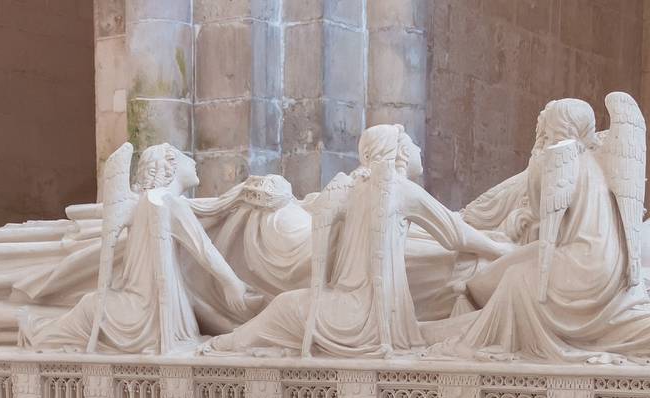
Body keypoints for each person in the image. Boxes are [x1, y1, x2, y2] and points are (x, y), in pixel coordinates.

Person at [459, 99, 650, 363]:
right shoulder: (603, 158)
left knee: (515, 279)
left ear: (554, 126)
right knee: (618, 326)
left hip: (582, 263)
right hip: (613, 261)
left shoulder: (555, 158)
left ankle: (507, 345)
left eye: (544, 125)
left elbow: (543, 214)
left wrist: (537, 153)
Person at [213, 124, 507, 356]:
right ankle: (221, 345)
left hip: (350, 309)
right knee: (283, 307)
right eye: (413, 144)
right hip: (368, 315)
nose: (420, 149)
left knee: (284, 307)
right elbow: (456, 233)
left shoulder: (353, 189)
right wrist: (500, 250)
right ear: (400, 154)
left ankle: (220, 346)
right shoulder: (400, 190)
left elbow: (323, 229)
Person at [26, 143, 253, 353]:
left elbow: (204, 235)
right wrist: (232, 283)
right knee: (89, 307)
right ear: (168, 167)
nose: (193, 162)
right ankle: (35, 334)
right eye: (185, 157)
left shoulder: (146, 201)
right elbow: (204, 249)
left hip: (141, 310)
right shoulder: (167, 201)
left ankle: (37, 333)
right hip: (146, 315)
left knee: (90, 306)